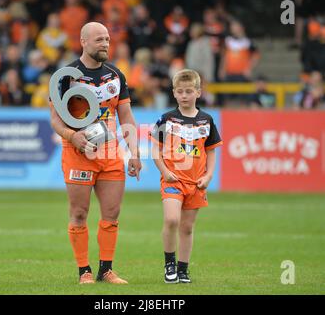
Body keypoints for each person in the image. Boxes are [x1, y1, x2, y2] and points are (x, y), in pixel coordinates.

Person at [49, 22, 142, 284]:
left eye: (108, 40)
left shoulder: (116, 75)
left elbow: (126, 115)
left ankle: (106, 270)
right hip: (77, 151)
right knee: (79, 213)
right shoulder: (66, 75)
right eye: (99, 40)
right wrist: (72, 136)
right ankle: (84, 271)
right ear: (83, 41)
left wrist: (134, 152)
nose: (105, 44)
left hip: (110, 153)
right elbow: (55, 119)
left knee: (112, 212)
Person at [150, 69, 222, 284]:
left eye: (189, 91)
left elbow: (211, 151)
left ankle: (183, 269)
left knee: (188, 227)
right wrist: (165, 171)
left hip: (196, 183)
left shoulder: (206, 120)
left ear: (198, 92)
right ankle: (169, 263)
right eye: (180, 91)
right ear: (174, 93)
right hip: (173, 180)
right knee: (172, 219)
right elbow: (155, 149)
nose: (184, 95)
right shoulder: (167, 118)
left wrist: (209, 176)